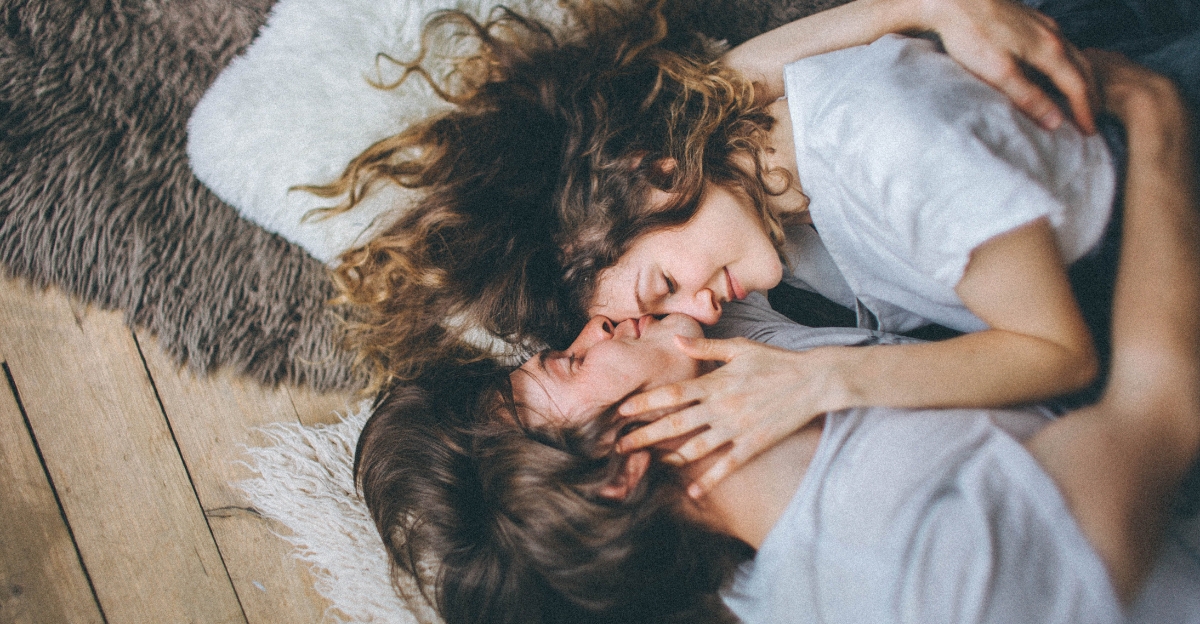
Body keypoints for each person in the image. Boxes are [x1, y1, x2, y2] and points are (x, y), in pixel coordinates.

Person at [355, 49, 1200, 623]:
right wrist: (1159, 121)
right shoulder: (932, 581)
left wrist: (919, 8)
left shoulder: (721, 371)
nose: (594, 328)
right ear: (621, 469)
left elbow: (689, 119)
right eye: (571, 361)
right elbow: (1164, 406)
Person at [310, 0, 1102, 388]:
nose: (693, 311)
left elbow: (1062, 357)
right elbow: (706, 90)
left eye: (664, 286)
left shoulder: (888, 140)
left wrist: (818, 387)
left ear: (658, 174)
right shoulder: (743, 159)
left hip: (1121, 251)